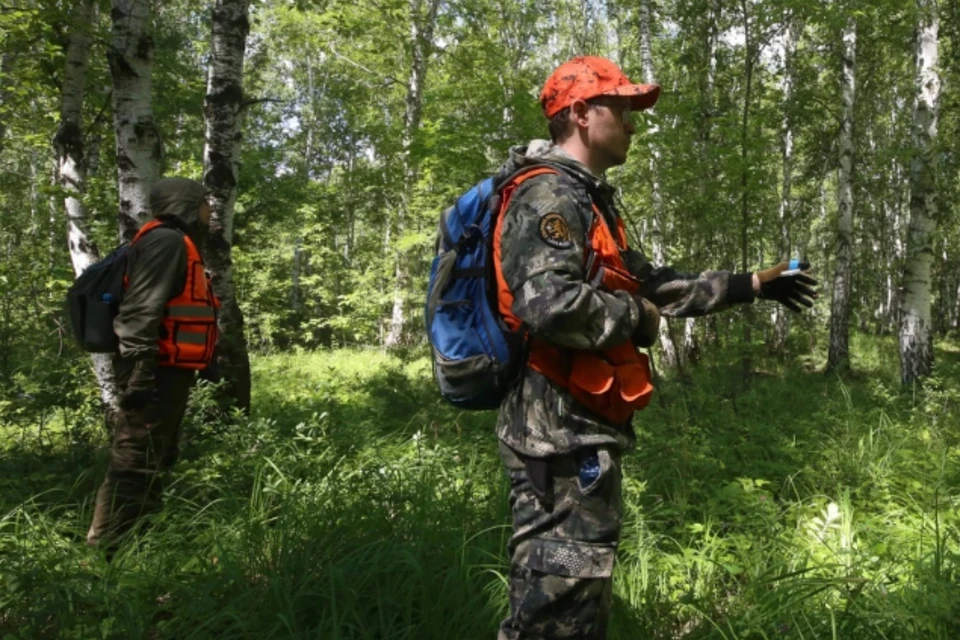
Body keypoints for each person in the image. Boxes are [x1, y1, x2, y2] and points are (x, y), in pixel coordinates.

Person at [492, 56, 817, 639]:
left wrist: (755, 285)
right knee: (556, 602)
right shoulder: (548, 197)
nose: (634, 123)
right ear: (582, 113)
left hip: (579, 430)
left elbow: (653, 283)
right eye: (622, 108)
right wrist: (636, 319)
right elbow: (547, 304)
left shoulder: (587, 201)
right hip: (556, 438)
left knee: (577, 596)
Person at [87, 177, 220, 549]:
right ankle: (108, 555)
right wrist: (141, 371)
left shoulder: (175, 242)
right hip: (153, 366)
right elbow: (141, 309)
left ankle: (138, 541)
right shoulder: (167, 242)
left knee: (155, 454)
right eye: (205, 203)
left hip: (166, 367)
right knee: (135, 459)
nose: (210, 212)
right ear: (187, 205)